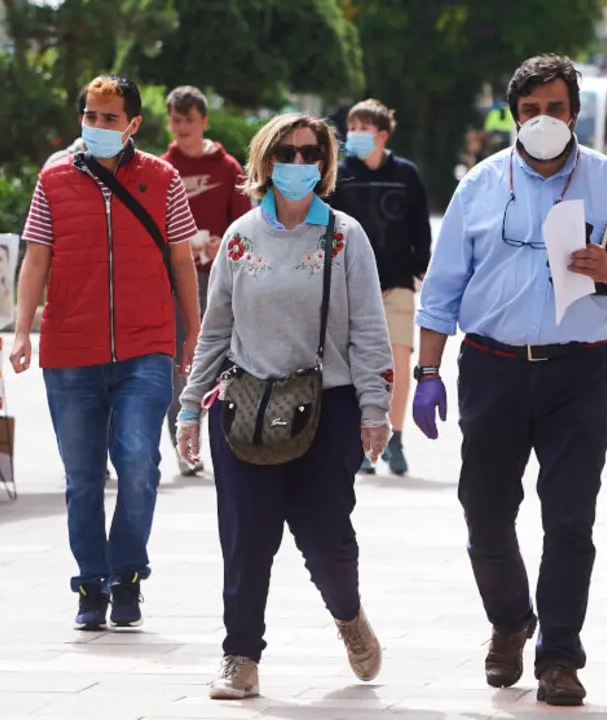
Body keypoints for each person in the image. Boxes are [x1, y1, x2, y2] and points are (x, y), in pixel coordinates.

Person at [411, 55, 607, 707]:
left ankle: (559, 656)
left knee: (569, 520)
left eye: (555, 109)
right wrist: (426, 372)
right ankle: (510, 622)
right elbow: (442, 289)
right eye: (529, 111)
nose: (542, 122)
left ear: (575, 113)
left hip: (577, 372)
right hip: (492, 368)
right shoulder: (479, 185)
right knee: (484, 513)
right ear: (513, 115)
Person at [176, 113, 393, 700]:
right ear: (265, 160)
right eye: (287, 152)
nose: (298, 164)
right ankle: (240, 655)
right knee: (247, 536)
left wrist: (376, 408)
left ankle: (348, 616)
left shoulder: (345, 236)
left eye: (310, 154)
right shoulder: (241, 237)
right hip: (246, 408)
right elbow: (215, 330)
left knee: (325, 538)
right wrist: (191, 407)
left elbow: (370, 329)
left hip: (328, 410)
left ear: (323, 165)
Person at [10, 74, 203, 631]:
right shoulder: (53, 178)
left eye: (109, 118)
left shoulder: (163, 179)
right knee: (83, 477)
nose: (96, 126)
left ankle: (128, 575)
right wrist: (24, 330)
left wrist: (194, 332)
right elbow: (36, 259)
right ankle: (91, 584)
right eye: (90, 116)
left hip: (146, 346)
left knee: (140, 463)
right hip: (71, 349)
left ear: (134, 125)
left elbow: (182, 259)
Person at [328, 98, 433, 477]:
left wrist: (422, 267)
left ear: (383, 134)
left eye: (362, 129)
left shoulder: (406, 174)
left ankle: (397, 438)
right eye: (350, 128)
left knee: (399, 361)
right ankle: (363, 440)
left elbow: (421, 226)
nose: (353, 136)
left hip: (396, 283)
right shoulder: (339, 175)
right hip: (349, 285)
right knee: (358, 367)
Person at [160, 85, 251, 477]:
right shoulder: (162, 167)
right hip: (175, 281)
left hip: (219, 280)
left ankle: (230, 442)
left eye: (189, 121)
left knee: (221, 362)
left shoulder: (228, 168)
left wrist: (221, 245)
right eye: (176, 121)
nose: (182, 128)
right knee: (179, 365)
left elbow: (246, 228)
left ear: (204, 122)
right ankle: (184, 445)